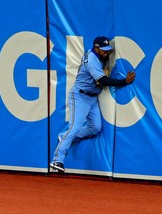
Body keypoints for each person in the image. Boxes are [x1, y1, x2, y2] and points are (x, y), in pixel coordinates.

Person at [50, 36, 136, 173]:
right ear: (96, 48)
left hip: (92, 97)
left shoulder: (96, 55)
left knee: (95, 127)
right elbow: (103, 80)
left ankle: (64, 136)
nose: (106, 52)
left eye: (107, 50)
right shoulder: (91, 60)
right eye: (103, 50)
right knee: (75, 127)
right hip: (79, 96)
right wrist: (124, 82)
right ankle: (57, 160)